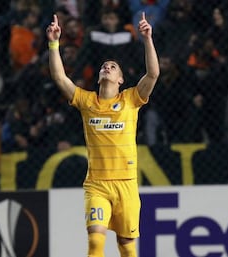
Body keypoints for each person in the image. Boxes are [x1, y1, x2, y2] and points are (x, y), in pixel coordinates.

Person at [46, 11, 159, 257]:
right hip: (97, 185)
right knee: (96, 243)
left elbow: (153, 75)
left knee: (127, 247)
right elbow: (58, 76)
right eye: (104, 66)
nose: (107, 67)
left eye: (113, 67)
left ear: (120, 80)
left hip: (126, 184)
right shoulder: (87, 101)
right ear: (99, 77)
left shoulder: (131, 99)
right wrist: (54, 43)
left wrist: (147, 39)